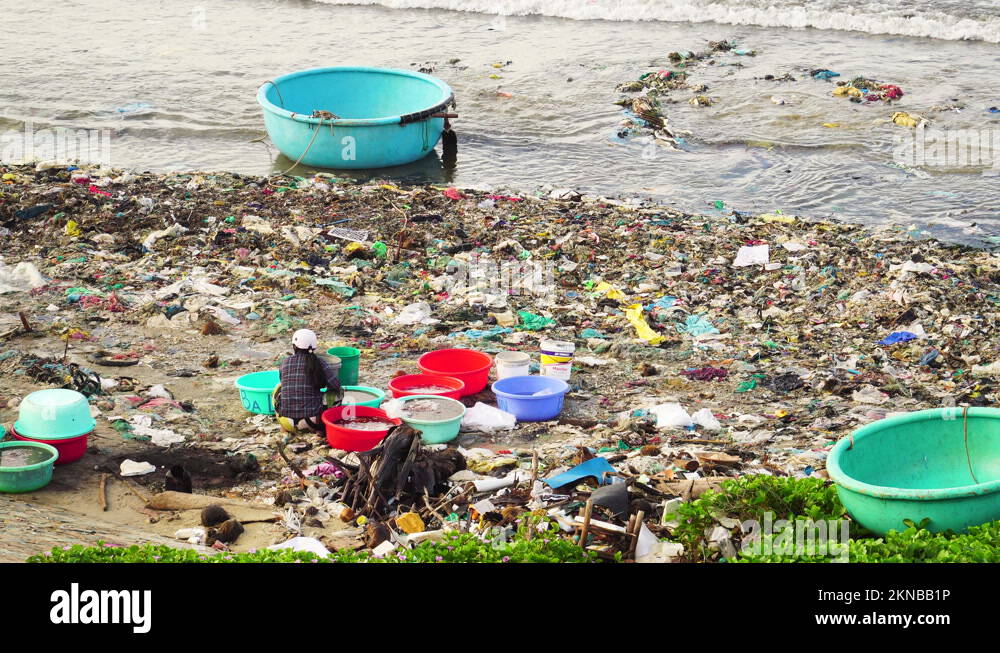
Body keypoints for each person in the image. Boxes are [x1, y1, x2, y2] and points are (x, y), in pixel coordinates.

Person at [278, 329, 343, 434]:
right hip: (312, 422)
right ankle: (322, 429)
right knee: (339, 393)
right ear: (314, 347)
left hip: (287, 422)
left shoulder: (285, 362)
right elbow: (336, 385)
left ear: (294, 346)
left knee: (278, 389)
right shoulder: (319, 362)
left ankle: (285, 429)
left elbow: (283, 382)